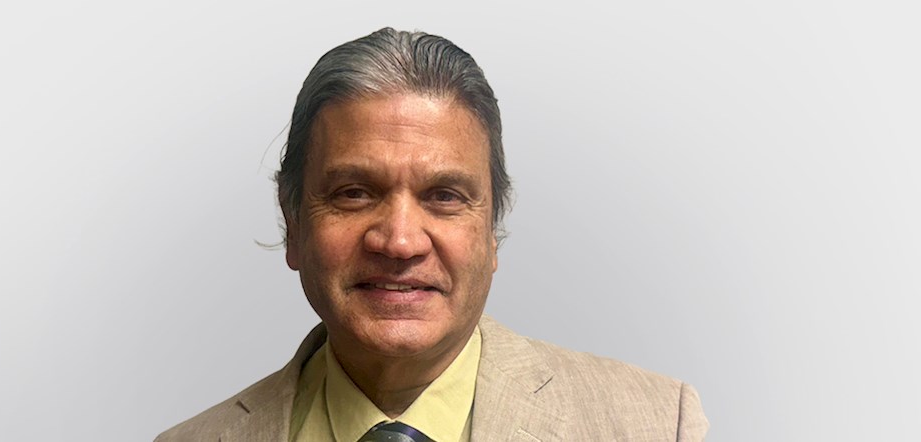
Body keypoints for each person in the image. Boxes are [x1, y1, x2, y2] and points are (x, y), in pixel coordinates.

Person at [157, 28, 708, 442]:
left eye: (444, 196)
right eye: (354, 193)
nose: (400, 243)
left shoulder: (660, 424)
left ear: (492, 230)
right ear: (294, 221)